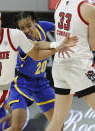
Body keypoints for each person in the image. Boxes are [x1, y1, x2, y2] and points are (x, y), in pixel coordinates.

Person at [46, 0, 95, 131]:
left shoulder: (59, 3)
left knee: (57, 121)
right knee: (57, 120)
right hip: (79, 66)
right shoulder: (88, 9)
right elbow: (93, 44)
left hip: (59, 64)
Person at [5, 12, 56, 131]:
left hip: (41, 82)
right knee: (17, 127)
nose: (26, 30)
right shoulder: (21, 41)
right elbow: (37, 53)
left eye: (29, 25)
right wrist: (58, 46)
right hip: (22, 83)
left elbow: (63, 28)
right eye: (22, 28)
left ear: (35, 23)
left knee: (58, 123)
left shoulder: (42, 26)